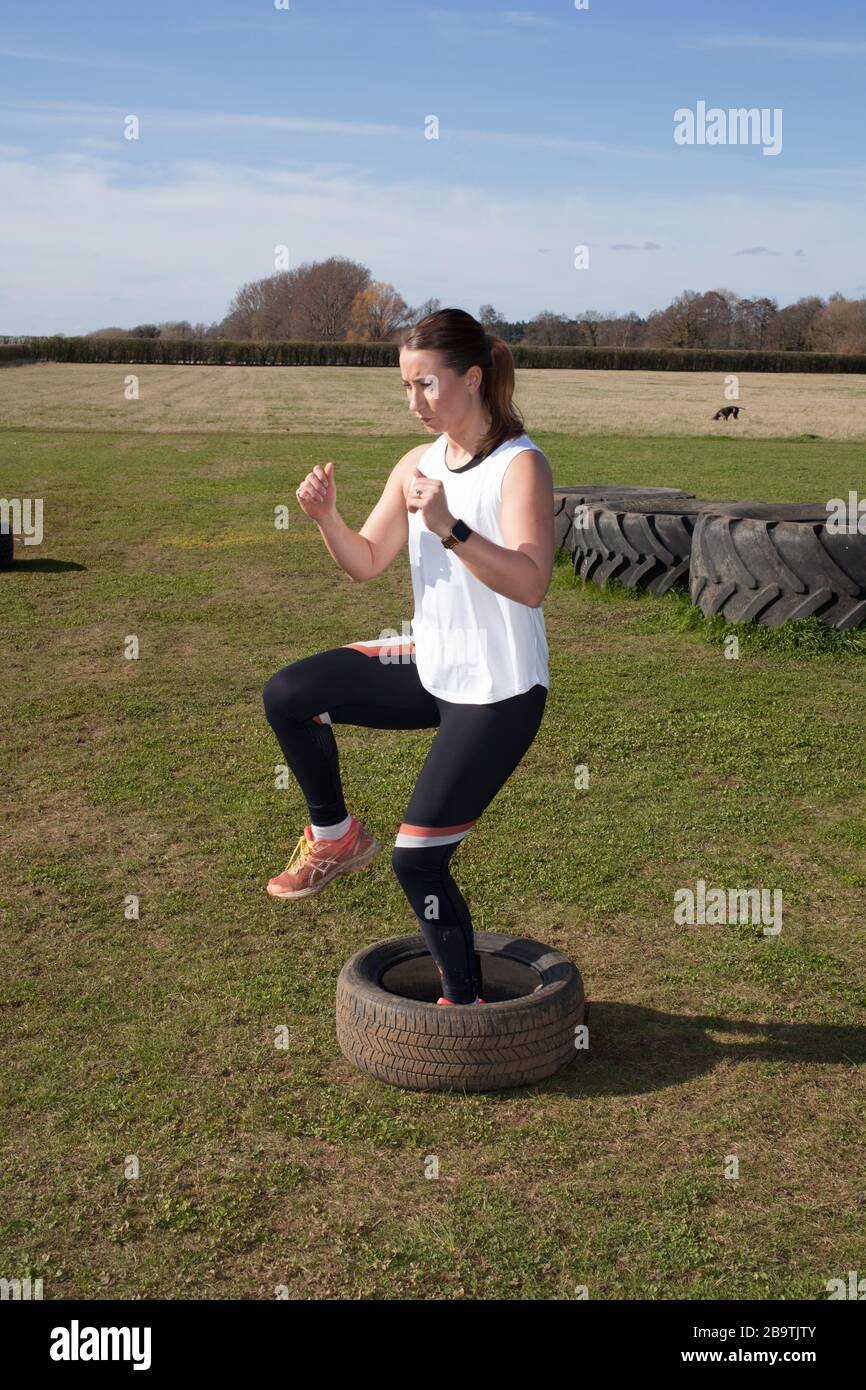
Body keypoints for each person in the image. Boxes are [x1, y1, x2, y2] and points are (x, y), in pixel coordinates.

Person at [262, 307, 553, 1005]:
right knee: (289, 694)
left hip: (499, 690)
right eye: (405, 387)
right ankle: (334, 837)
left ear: (473, 378)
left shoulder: (520, 466)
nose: (414, 401)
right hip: (431, 665)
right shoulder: (414, 466)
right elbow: (365, 562)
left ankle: (465, 1005)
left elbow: (531, 582)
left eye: (425, 384)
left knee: (418, 862)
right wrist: (327, 517)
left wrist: (449, 525)